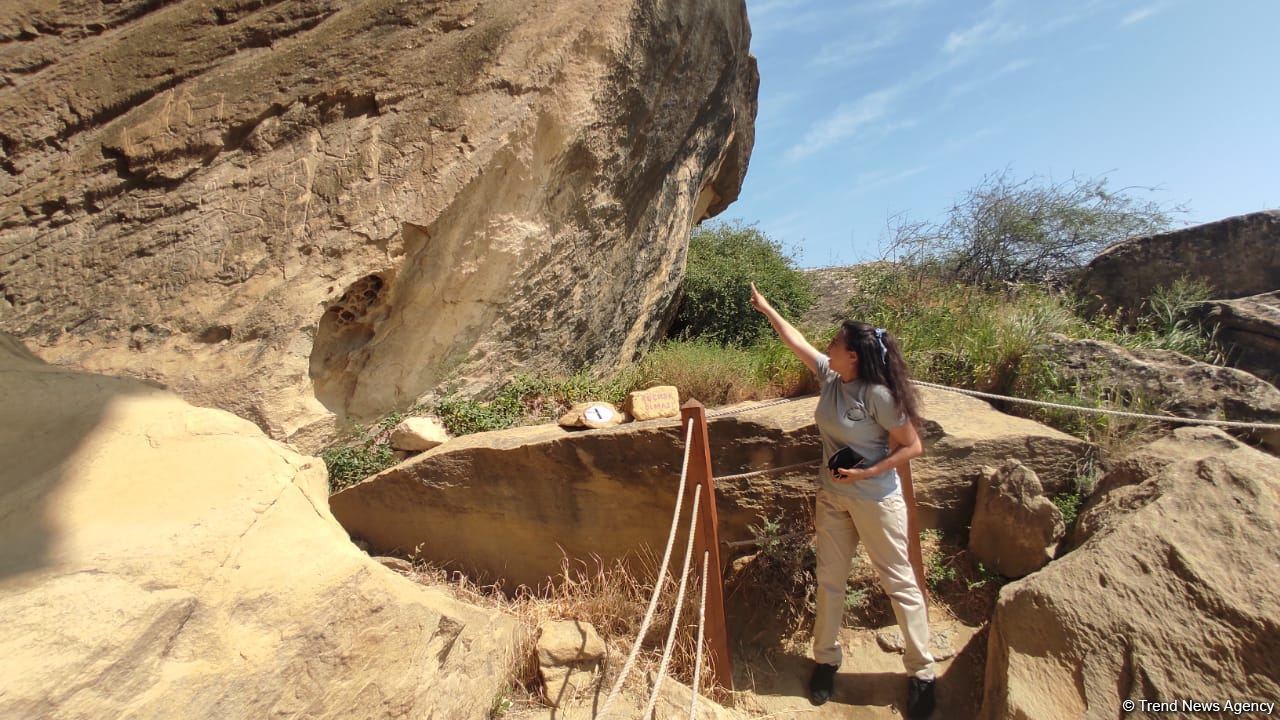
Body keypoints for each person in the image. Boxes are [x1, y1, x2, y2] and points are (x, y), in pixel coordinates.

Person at [749, 282, 936, 719]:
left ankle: (922, 672)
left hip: (875, 500)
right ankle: (826, 661)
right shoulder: (831, 377)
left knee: (899, 582)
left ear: (853, 355)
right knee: (830, 581)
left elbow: (912, 447)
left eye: (835, 342)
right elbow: (795, 341)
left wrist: (868, 471)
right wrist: (767, 306)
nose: (828, 346)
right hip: (833, 498)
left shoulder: (880, 395)